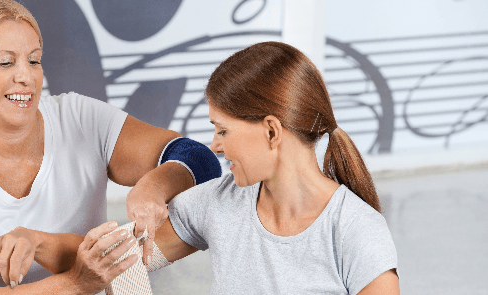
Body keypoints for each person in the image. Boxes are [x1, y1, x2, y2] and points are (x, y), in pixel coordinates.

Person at [0, 0, 220, 294]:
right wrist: (75, 283)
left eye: (34, 60)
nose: (26, 76)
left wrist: (154, 185)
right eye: (5, 63)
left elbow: (201, 161)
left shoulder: (80, 118)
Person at [151, 42, 399, 294]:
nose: (215, 145)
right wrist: (153, 187)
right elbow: (118, 264)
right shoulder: (216, 203)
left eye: (223, 130)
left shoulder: (357, 229)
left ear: (271, 131)